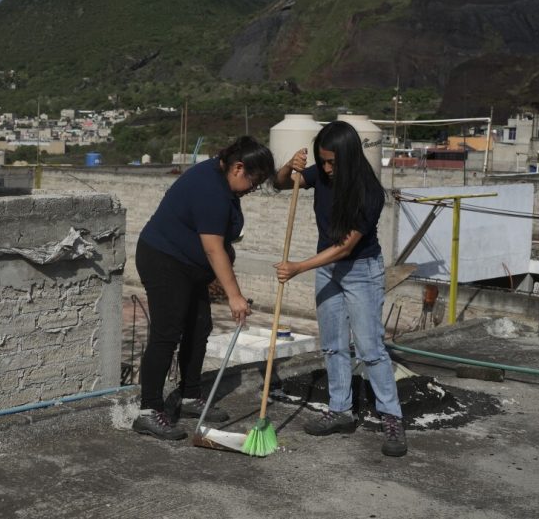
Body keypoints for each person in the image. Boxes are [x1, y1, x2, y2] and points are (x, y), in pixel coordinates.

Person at [272, 120, 407, 457]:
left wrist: (300, 267)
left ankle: (392, 418)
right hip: (326, 268)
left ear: (348, 157)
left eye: (332, 162)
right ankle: (341, 410)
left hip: (361, 271)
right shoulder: (322, 172)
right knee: (332, 346)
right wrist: (291, 165)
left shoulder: (369, 192)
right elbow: (280, 184)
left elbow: (347, 247)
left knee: (369, 348)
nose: (326, 169)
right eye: (323, 161)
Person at [132, 136, 275, 440]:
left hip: (189, 266)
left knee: (199, 327)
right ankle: (149, 411)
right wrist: (234, 296)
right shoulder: (211, 190)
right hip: (165, 260)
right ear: (238, 167)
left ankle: (188, 396)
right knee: (167, 332)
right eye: (255, 180)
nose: (253, 188)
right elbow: (213, 248)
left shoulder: (220, 176)